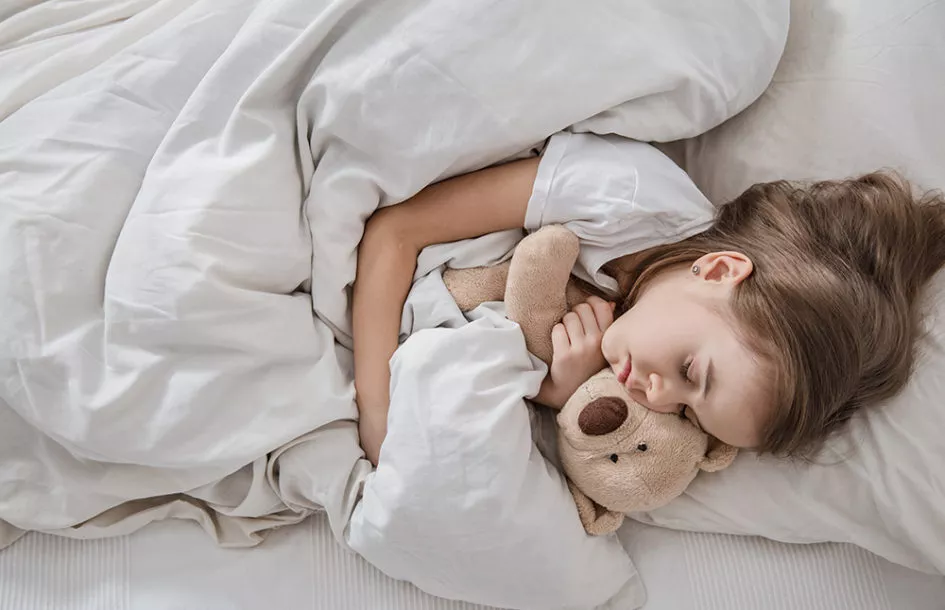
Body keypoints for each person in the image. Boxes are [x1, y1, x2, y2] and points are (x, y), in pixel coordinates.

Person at [352, 132, 945, 466]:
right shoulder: (624, 195)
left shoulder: (632, 342)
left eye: (687, 415)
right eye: (690, 372)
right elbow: (396, 231)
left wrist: (559, 392)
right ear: (718, 270)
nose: (656, 398)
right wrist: (377, 419)